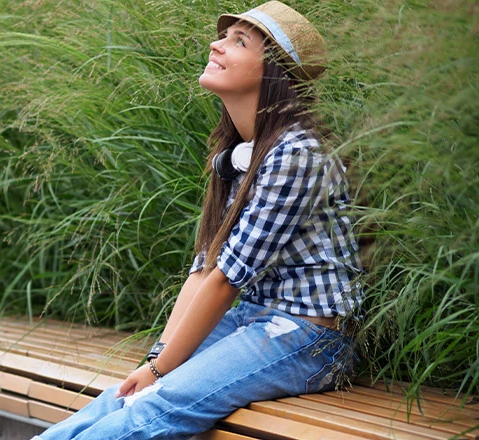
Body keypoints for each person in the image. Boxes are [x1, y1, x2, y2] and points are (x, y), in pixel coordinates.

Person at [33, 2, 362, 439]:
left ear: (273, 74)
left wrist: (159, 370)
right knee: (122, 395)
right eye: (224, 36)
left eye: (238, 41)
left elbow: (226, 279)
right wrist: (155, 361)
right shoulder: (241, 154)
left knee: (156, 404)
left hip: (309, 339)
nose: (216, 43)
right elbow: (205, 268)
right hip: (254, 319)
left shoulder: (297, 154)